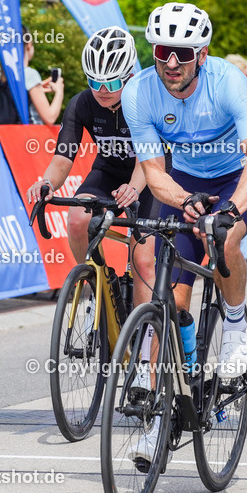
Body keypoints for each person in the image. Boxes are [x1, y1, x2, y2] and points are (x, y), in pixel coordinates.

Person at [121, 2, 247, 461]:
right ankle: (166, 412)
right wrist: (185, 202)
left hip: (235, 178)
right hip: (184, 183)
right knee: (171, 301)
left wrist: (227, 210)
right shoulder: (139, 94)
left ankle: (233, 324)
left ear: (201, 55)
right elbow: (152, 171)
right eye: (163, 51)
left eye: (182, 54)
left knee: (224, 237)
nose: (171, 63)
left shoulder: (229, 82)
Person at [25, 26, 159, 307]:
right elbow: (63, 157)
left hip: (148, 176)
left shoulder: (144, 100)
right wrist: (46, 183)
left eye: (110, 84)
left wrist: (134, 188)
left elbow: (146, 157)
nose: (101, 91)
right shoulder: (82, 102)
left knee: (143, 262)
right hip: (108, 171)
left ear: (129, 78)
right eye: (93, 81)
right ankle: (98, 287)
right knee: (76, 219)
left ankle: (145, 340)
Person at [0, 28, 64, 125]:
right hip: (27, 137)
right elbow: (50, 118)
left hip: (1, 136)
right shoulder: (29, 74)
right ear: (29, 46)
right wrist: (59, 91)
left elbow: (7, 101)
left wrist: (37, 89)